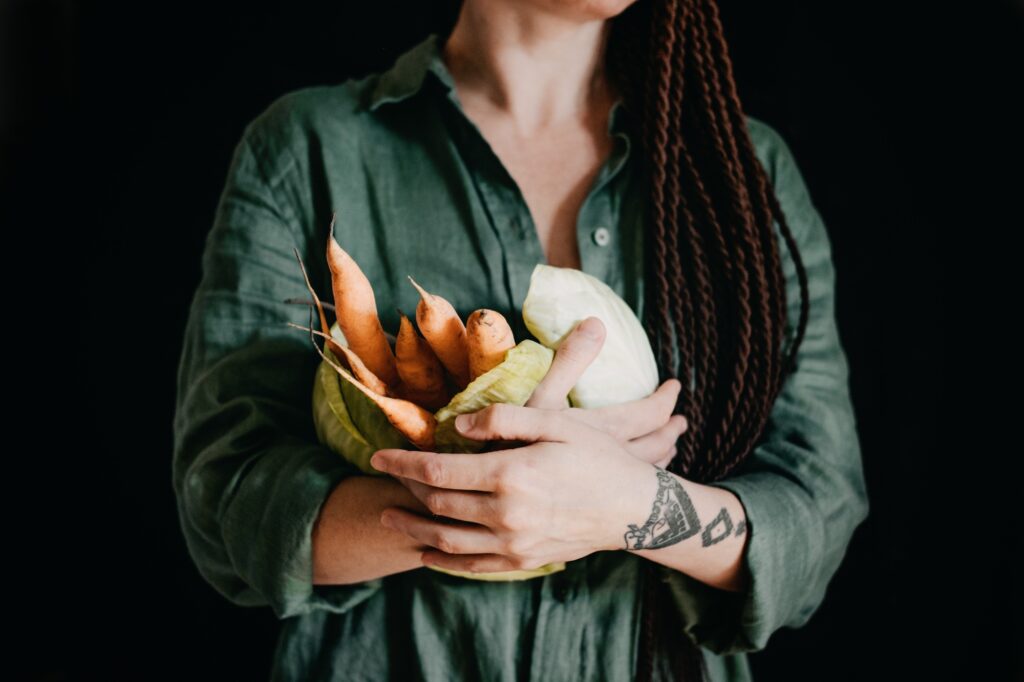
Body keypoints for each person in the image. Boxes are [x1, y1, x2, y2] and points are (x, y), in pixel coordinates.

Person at [171, 0, 870, 680]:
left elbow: (818, 513)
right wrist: (492, 506)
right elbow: (225, 499)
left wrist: (627, 507)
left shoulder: (747, 172)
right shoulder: (307, 147)